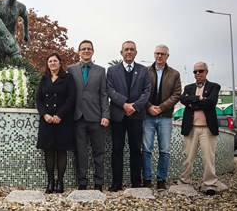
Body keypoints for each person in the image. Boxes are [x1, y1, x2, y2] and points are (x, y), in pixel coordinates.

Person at [107, 41, 151, 192]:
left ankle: (136, 182)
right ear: (121, 52)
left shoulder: (144, 70)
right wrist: (124, 104)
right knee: (117, 150)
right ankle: (116, 183)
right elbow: (110, 90)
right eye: (126, 49)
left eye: (132, 50)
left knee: (136, 150)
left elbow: (146, 92)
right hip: (118, 115)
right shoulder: (112, 70)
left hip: (136, 116)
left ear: (136, 53)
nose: (129, 52)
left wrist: (134, 107)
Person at [67, 40, 109, 191]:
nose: (86, 51)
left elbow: (104, 94)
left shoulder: (101, 70)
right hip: (78, 118)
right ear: (79, 52)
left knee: (99, 152)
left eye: (89, 49)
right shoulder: (70, 70)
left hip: (96, 118)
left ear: (93, 51)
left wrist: (105, 114)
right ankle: (82, 182)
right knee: (81, 152)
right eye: (83, 49)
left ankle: (99, 183)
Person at [179, 62, 223, 196]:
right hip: (191, 128)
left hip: (207, 129)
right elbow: (183, 100)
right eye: (195, 71)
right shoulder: (188, 87)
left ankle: (210, 184)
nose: (197, 73)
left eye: (200, 71)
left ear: (206, 72)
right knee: (188, 157)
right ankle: (184, 181)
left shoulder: (214, 86)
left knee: (208, 158)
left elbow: (211, 102)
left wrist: (193, 103)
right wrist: (199, 98)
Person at [142, 44, 182, 190]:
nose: (159, 56)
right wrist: (149, 107)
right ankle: (146, 179)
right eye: (157, 53)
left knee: (164, 150)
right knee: (146, 149)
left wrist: (161, 108)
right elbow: (140, 92)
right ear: (154, 54)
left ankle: (161, 180)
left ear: (167, 56)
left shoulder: (175, 74)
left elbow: (177, 94)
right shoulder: (145, 71)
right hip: (148, 115)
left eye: (162, 54)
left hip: (165, 116)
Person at [36, 53, 76, 194]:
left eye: (55, 61)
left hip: (63, 121)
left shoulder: (68, 78)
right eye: (50, 61)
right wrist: (45, 114)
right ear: (47, 64)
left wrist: (60, 115)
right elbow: (39, 99)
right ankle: (50, 182)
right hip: (47, 121)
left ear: (60, 63)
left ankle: (60, 182)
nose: (52, 63)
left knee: (61, 151)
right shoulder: (44, 79)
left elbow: (71, 98)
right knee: (49, 151)